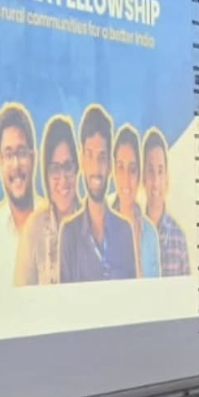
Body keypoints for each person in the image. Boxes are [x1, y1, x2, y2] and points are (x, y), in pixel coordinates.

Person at [59, 105, 137, 282]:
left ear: (110, 164)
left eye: (102, 157)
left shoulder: (125, 231)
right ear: (81, 160)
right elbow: (63, 305)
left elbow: (134, 300)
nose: (95, 168)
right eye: (90, 156)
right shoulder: (69, 234)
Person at [0, 103, 41, 287]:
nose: (16, 165)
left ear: (33, 158)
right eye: (8, 154)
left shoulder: (55, 221)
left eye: (21, 153)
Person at [15, 116, 79, 286]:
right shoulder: (33, 229)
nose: (63, 179)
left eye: (68, 166)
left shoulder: (93, 221)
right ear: (45, 174)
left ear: (77, 168)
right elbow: (21, 300)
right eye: (55, 169)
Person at [113, 124, 161, 277]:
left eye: (132, 169)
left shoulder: (150, 235)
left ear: (139, 174)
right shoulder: (101, 229)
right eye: (121, 168)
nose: (126, 179)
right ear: (113, 171)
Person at [142, 128, 191, 276]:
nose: (156, 181)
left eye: (160, 171)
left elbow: (186, 294)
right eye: (150, 171)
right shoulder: (132, 233)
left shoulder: (179, 239)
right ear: (143, 178)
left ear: (167, 179)